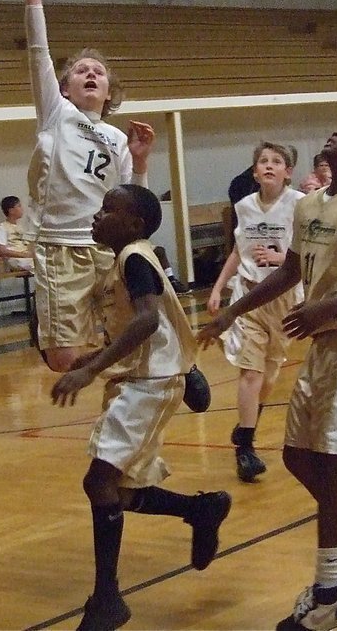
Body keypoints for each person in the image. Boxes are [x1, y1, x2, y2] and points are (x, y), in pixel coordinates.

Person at [199, 120, 337, 631]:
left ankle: (330, 591)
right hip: (324, 338)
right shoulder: (308, 205)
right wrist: (233, 310)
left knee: (332, 462)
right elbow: (291, 272)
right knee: (297, 456)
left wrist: (326, 309)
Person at [51, 184, 231, 631]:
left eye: (107, 210)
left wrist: (88, 372)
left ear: (132, 223)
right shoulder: (131, 256)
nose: (97, 216)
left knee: (99, 482)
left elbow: (149, 319)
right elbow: (151, 320)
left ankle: (108, 599)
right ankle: (199, 510)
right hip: (141, 379)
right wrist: (92, 360)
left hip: (149, 384)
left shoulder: (134, 256)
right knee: (117, 490)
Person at [7, 0, 155, 374]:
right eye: (80, 70)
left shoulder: (116, 136)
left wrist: (141, 160)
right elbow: (38, 52)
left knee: (138, 332)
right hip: (59, 248)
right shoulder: (57, 114)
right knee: (63, 359)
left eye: (99, 71)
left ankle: (177, 372)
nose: (90, 73)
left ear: (110, 91)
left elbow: (136, 206)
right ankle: (105, 369)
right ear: (66, 86)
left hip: (106, 250)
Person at [207, 141, 304, 482]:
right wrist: (219, 287)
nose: (269, 165)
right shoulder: (245, 206)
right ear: (254, 171)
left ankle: (245, 424)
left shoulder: (300, 205)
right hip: (248, 298)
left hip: (284, 298)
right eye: (263, 161)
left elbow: (308, 253)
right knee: (251, 373)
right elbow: (238, 250)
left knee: (270, 376)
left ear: (287, 172)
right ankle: (245, 448)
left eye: (276, 161)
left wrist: (281, 260)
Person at [0, 195, 34, 272]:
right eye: (19, 206)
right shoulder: (2, 228)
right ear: (11, 211)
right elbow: (2, 251)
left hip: (26, 256)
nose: (22, 209)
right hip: (16, 259)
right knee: (38, 265)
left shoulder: (20, 227)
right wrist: (24, 255)